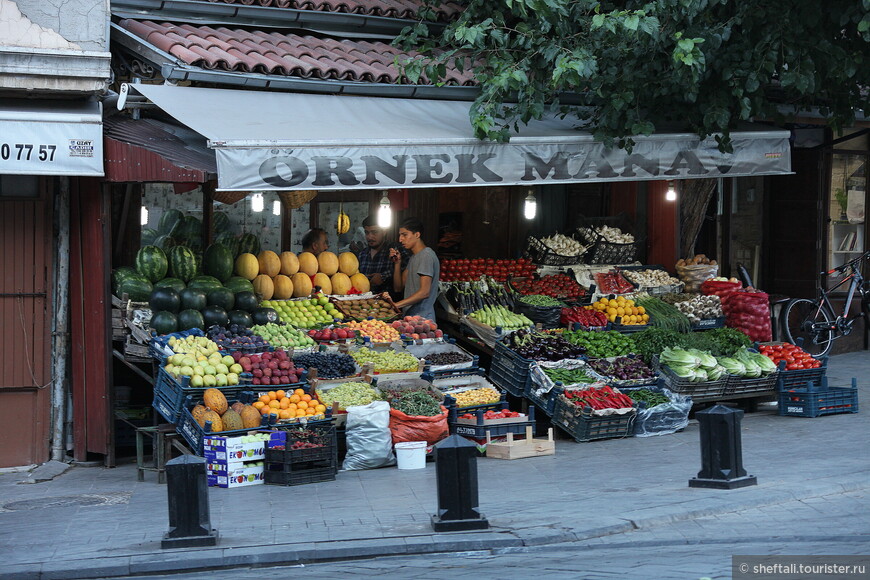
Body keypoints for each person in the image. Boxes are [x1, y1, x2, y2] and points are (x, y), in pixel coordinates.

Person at [390, 217, 440, 321]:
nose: (400, 239)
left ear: (417, 235)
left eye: (404, 235)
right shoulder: (414, 257)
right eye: (400, 235)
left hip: (423, 320)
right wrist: (397, 263)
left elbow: (424, 292)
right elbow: (398, 287)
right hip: (411, 318)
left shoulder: (426, 255)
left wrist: (396, 305)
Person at [356, 216, 406, 294]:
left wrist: (383, 276)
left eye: (374, 232)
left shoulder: (396, 249)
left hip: (389, 303)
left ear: (384, 232)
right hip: (365, 303)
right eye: (367, 232)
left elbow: (406, 271)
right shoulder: (362, 254)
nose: (370, 237)